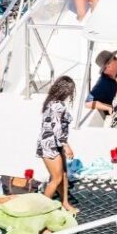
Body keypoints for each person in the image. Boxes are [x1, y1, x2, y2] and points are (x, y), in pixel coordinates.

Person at [37, 76, 77, 212]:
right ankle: (42, 209)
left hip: (52, 142)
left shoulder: (51, 102)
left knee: (63, 175)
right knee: (57, 178)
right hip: (51, 144)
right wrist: (66, 145)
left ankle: (65, 202)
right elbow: (56, 127)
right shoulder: (57, 106)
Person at [87, 50, 117, 114]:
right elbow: (88, 103)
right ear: (108, 66)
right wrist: (108, 107)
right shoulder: (102, 83)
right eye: (115, 58)